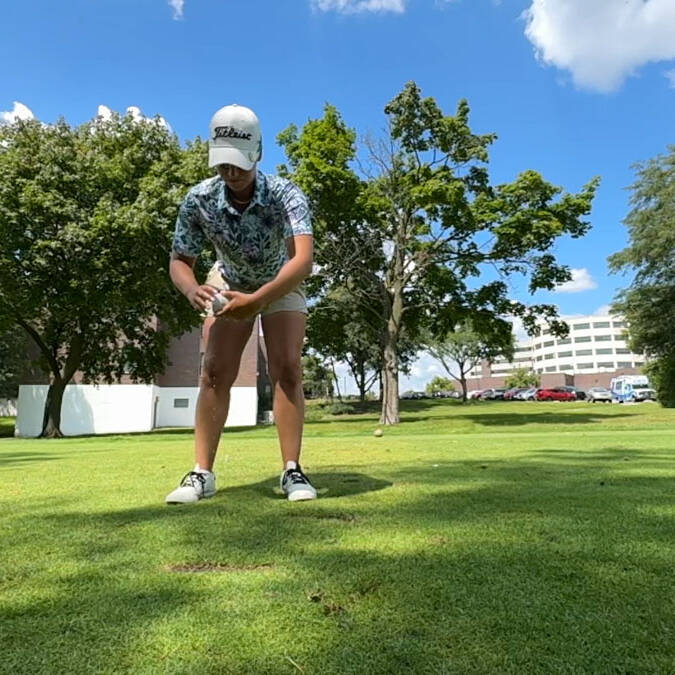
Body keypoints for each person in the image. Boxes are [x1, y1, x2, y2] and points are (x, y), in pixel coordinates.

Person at [165, 104, 317, 504]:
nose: (230, 174)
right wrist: (190, 288)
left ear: (257, 153)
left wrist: (257, 301)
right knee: (214, 371)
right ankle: (202, 474)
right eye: (223, 165)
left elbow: (303, 259)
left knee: (286, 366)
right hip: (229, 281)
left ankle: (292, 471)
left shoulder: (286, 195)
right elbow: (181, 260)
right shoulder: (198, 200)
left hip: (280, 281)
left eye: (238, 165)